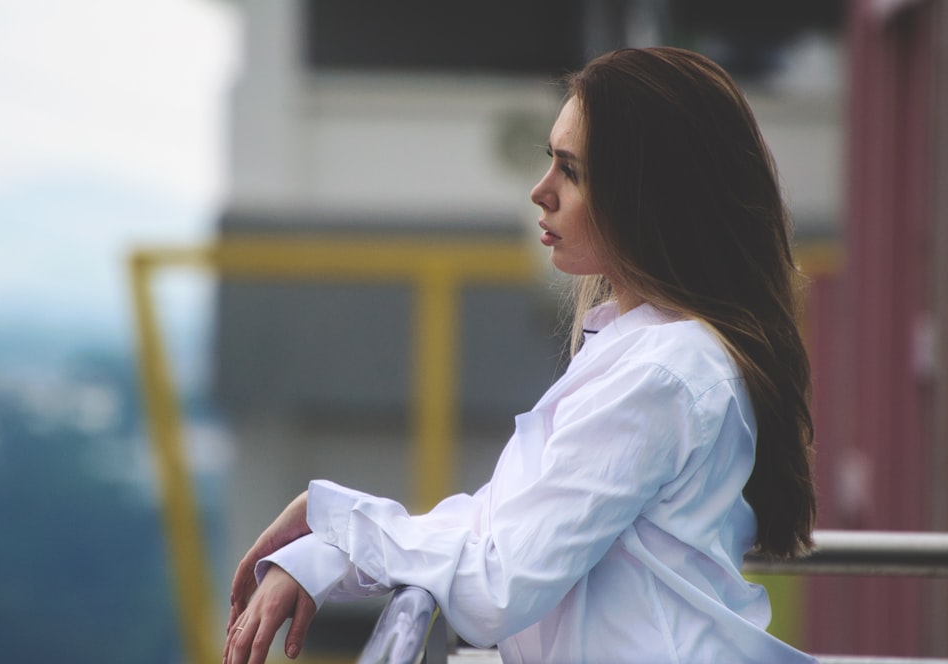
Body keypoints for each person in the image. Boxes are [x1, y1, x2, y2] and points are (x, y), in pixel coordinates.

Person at [222, 46, 818, 664]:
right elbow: (496, 523)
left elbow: (497, 587)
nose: (541, 191)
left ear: (646, 195)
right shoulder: (644, 349)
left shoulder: (662, 374)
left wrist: (342, 526)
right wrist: (327, 541)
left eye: (573, 170)